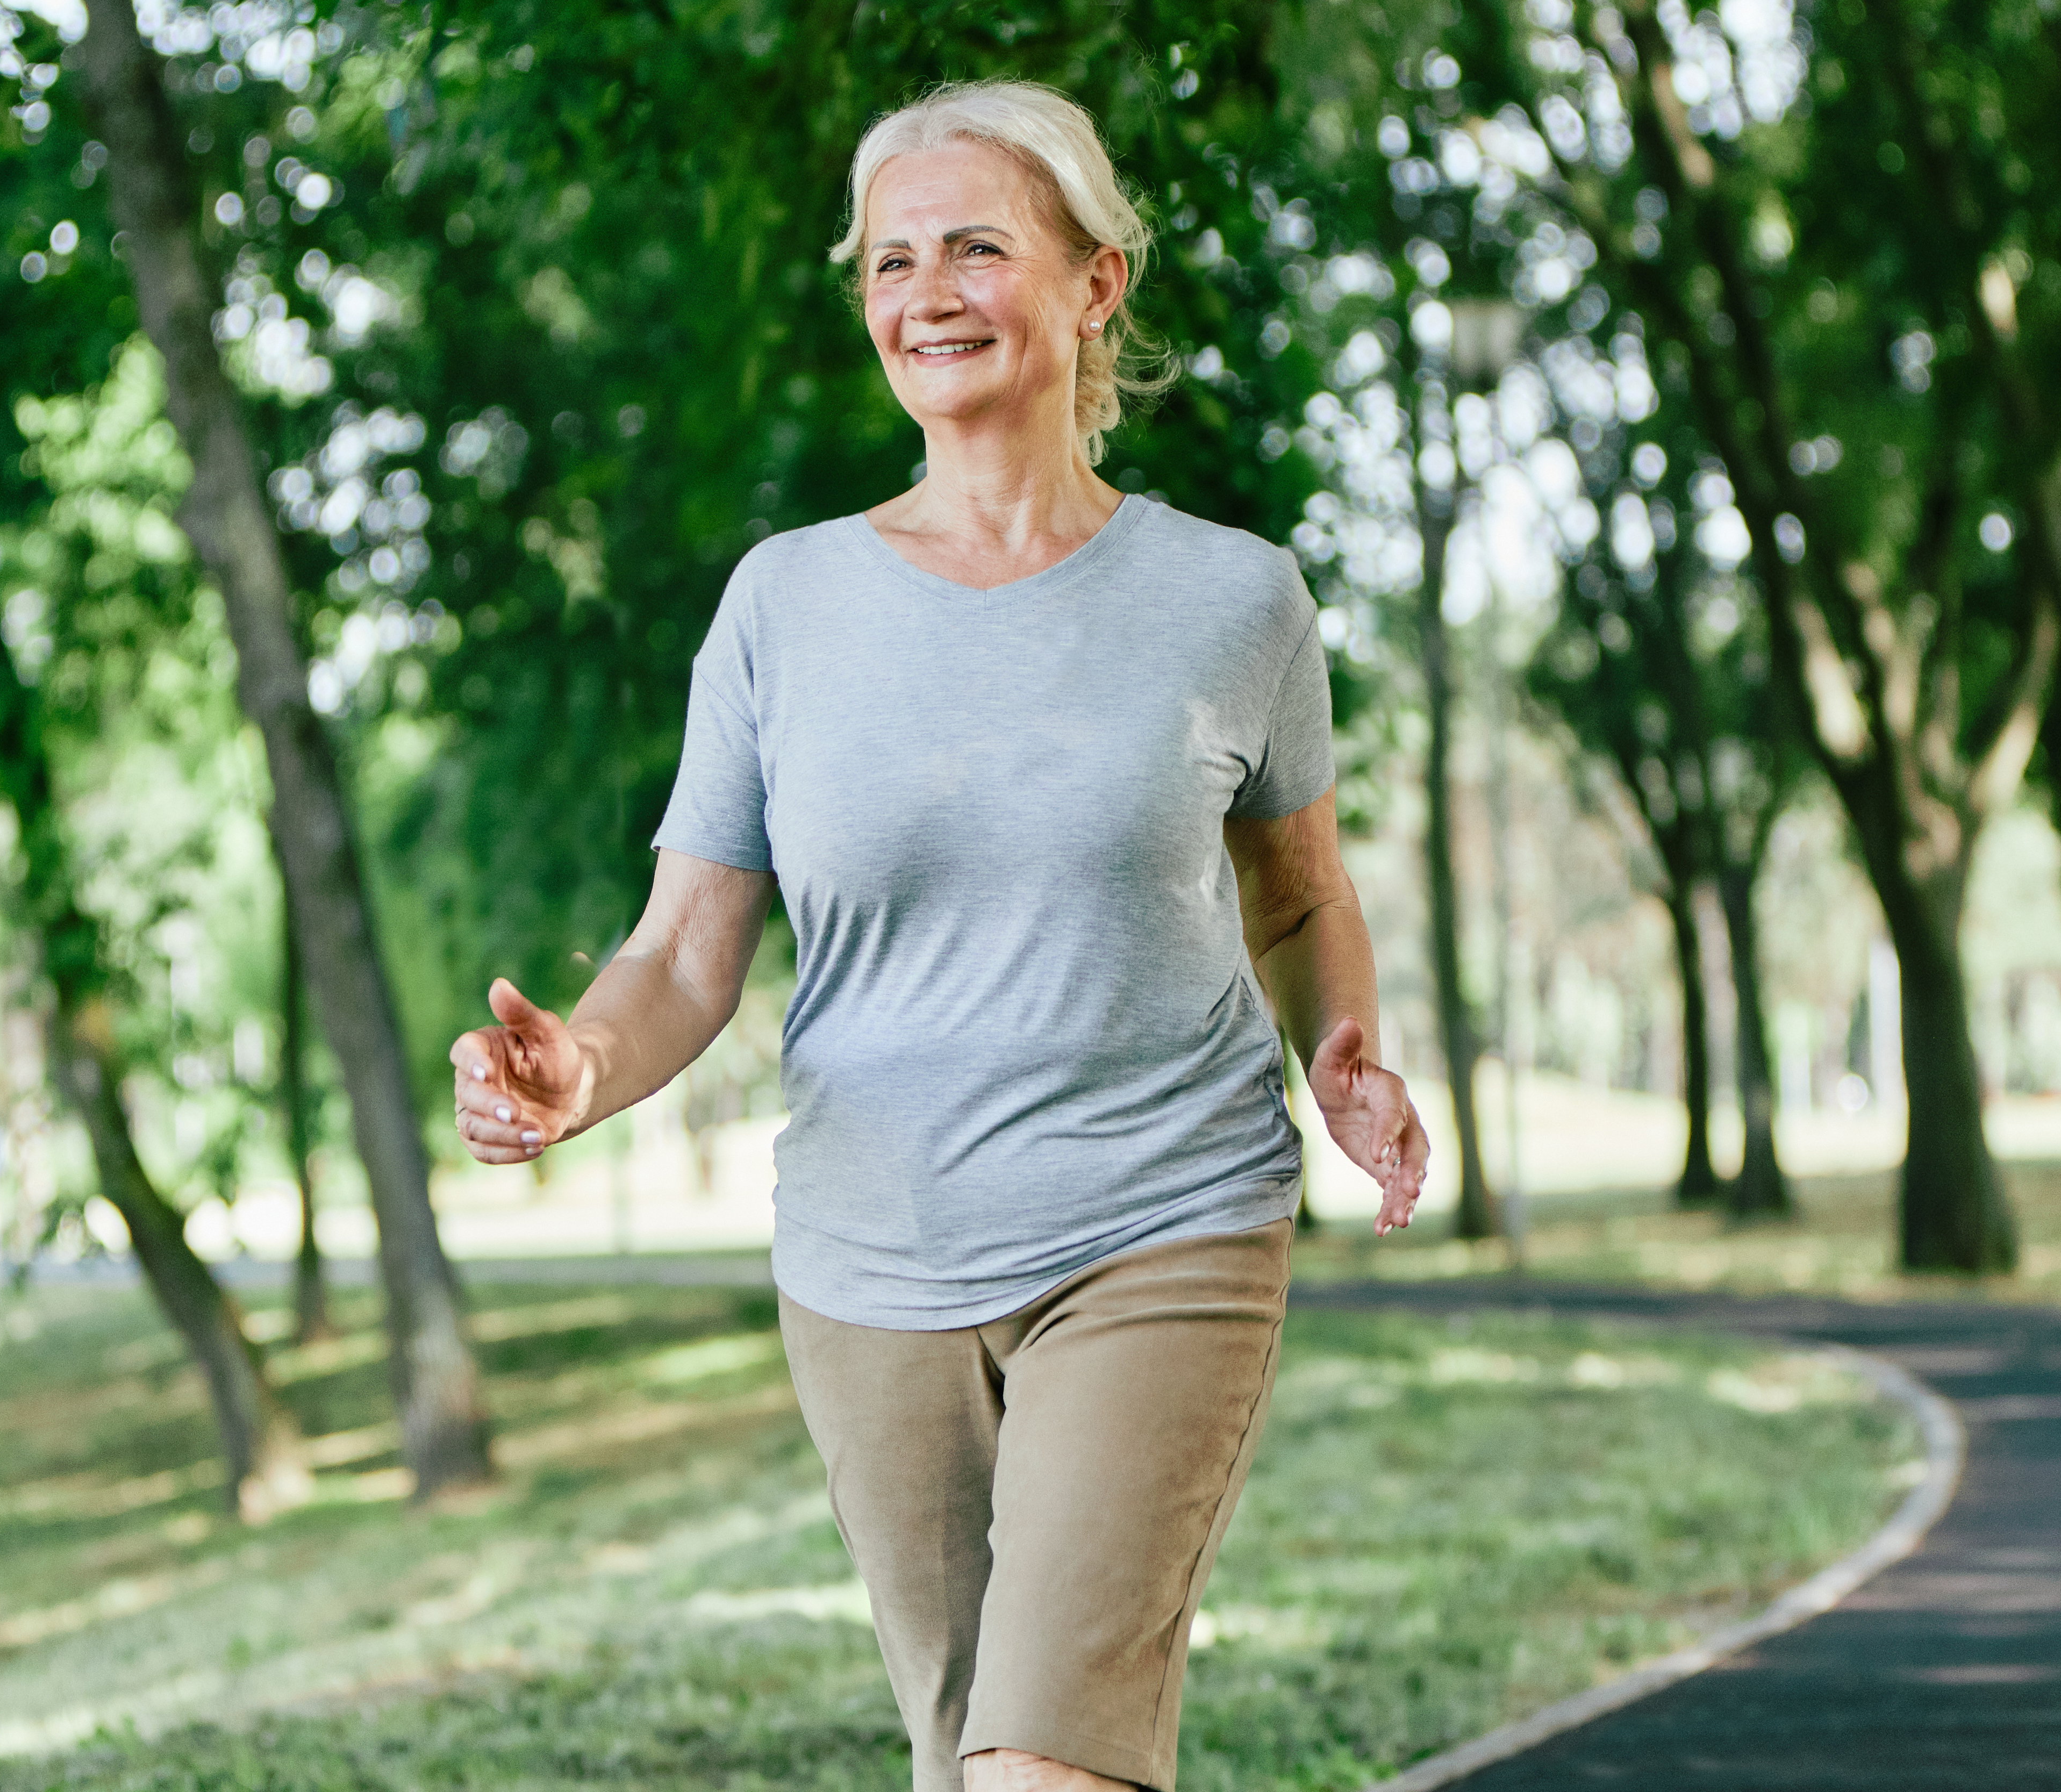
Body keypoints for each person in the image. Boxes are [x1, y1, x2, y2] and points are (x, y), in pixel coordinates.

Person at [449, 78, 1428, 1792]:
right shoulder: (784, 603)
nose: (928, 293)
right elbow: (688, 952)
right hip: (869, 1268)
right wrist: (580, 1068)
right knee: (974, 1756)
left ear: (1094, 281)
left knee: (1042, 1767)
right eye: (892, 261)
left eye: (978, 246)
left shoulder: (1234, 596)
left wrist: (1340, 1050)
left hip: (1162, 1220)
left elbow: (1300, 893)